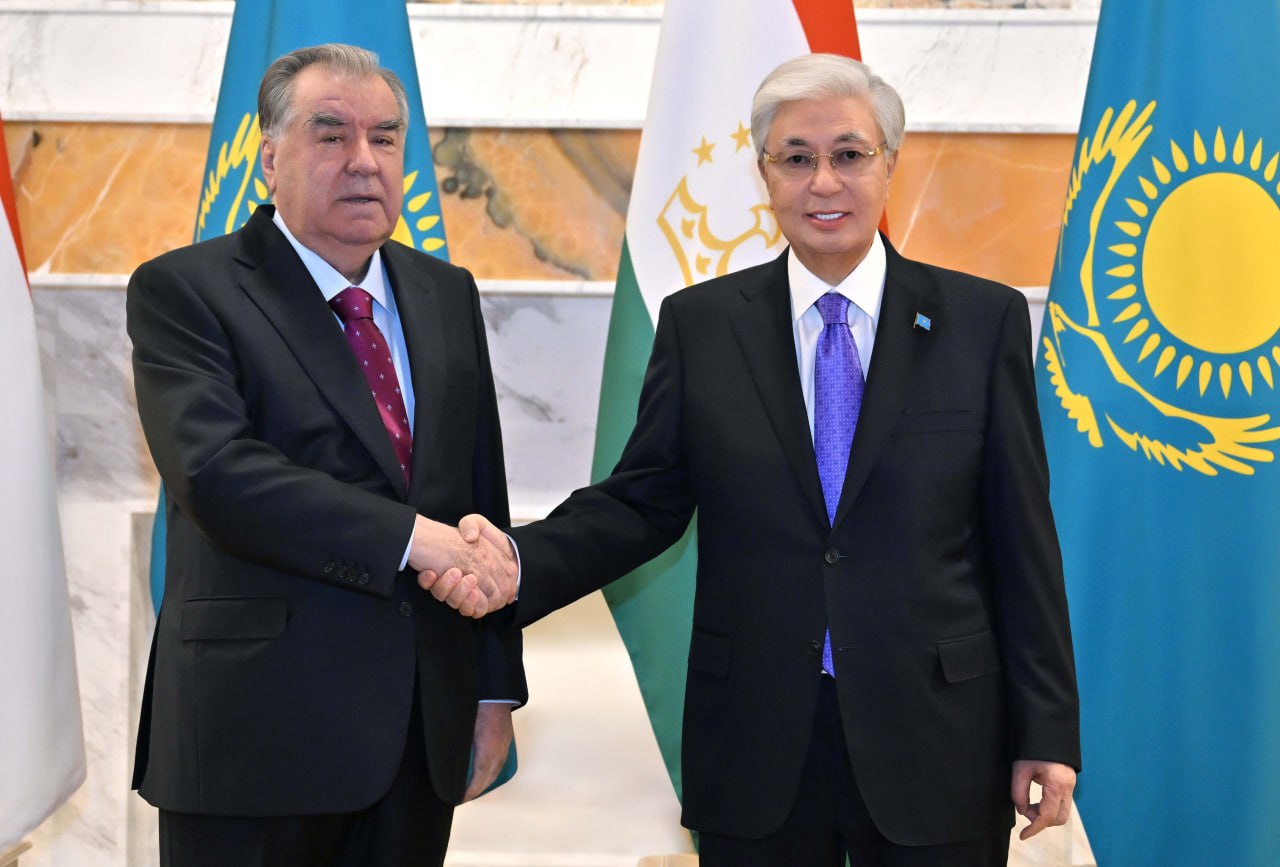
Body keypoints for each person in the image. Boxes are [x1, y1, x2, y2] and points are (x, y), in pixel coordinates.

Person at [425, 53, 1080, 866]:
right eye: (795, 158)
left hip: (938, 738)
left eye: (849, 154)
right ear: (764, 174)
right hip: (757, 744)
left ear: (890, 163)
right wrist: (515, 562)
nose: (823, 181)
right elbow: (640, 503)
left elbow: (1022, 538)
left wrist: (1046, 729)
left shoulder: (981, 322)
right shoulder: (702, 327)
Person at [128, 43, 521, 867]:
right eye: (331, 134)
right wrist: (413, 539)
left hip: (419, 731)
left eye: (385, 137)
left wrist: (492, 688)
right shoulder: (185, 290)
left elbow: (480, 493)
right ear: (270, 157)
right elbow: (217, 474)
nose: (363, 160)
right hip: (254, 734)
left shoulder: (445, 292)